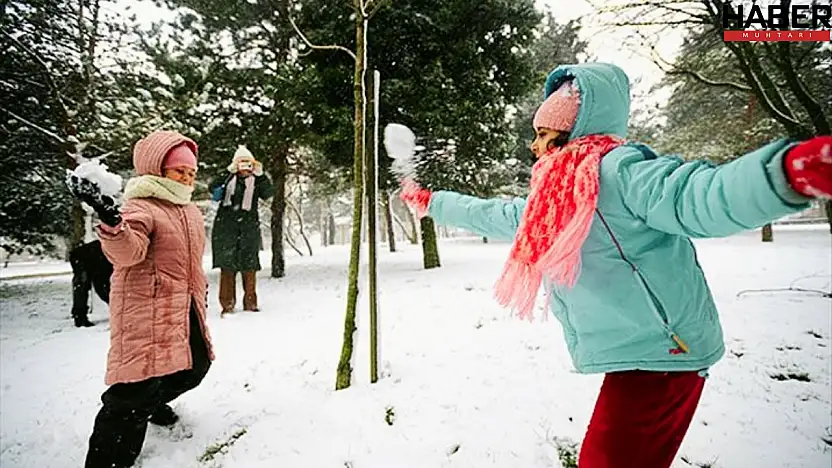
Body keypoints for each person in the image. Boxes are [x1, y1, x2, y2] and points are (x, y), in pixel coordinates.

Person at [397, 62, 832, 468]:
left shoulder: (622, 172)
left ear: (571, 131)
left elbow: (698, 194)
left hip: (666, 351)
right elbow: (494, 213)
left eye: (543, 132)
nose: (534, 144)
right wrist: (433, 202)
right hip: (640, 354)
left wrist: (784, 174)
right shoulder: (556, 196)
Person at [66, 130, 215, 468]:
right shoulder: (142, 206)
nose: (187, 177)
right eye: (179, 171)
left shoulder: (189, 211)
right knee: (131, 395)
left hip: (183, 309)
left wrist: (200, 295)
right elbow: (127, 253)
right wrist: (111, 221)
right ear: (157, 169)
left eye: (191, 172)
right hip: (145, 314)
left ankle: (151, 405)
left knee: (195, 367)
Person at [209, 145, 274, 316]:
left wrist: (261, 176)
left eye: (248, 164)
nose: (245, 168)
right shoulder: (228, 178)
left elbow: (268, 193)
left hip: (248, 228)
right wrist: (227, 172)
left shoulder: (256, 181)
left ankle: (251, 304)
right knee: (227, 268)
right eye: (241, 163)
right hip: (226, 228)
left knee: (249, 266)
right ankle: (227, 305)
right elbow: (212, 188)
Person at [69, 239, 112, 328]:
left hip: (93, 258)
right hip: (86, 258)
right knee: (83, 286)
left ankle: (79, 315)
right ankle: (79, 317)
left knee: (86, 286)